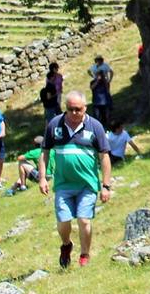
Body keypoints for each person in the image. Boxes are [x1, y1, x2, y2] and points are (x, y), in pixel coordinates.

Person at [38, 90, 112, 268]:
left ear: (85, 108)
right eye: (70, 109)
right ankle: (66, 245)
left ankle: (85, 254)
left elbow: (104, 157)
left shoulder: (95, 127)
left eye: (78, 109)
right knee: (63, 221)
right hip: (63, 185)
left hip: (87, 185)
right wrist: (42, 177)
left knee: (84, 219)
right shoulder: (55, 124)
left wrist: (106, 185)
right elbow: (45, 152)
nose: (74, 113)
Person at [88, 55, 114, 125]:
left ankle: (107, 124)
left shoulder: (105, 66)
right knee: (97, 116)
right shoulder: (93, 81)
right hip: (96, 102)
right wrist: (96, 79)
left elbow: (111, 72)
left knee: (106, 115)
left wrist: (107, 80)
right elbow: (92, 87)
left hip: (104, 102)